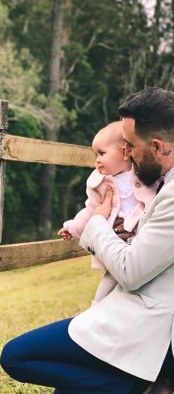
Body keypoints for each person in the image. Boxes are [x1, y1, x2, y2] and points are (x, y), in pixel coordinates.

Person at [0, 87, 174, 394]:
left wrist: (97, 223)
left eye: (131, 146)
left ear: (160, 147)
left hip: (146, 325)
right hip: (130, 315)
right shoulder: (161, 183)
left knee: (15, 356)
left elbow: (132, 272)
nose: (127, 154)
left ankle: (129, 388)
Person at [58, 121, 158, 302]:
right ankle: (98, 309)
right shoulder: (101, 183)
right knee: (108, 285)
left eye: (102, 153)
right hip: (115, 240)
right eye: (95, 154)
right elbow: (92, 211)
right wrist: (73, 227)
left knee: (142, 280)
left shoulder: (144, 173)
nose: (97, 159)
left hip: (142, 236)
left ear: (125, 152)